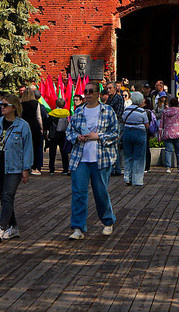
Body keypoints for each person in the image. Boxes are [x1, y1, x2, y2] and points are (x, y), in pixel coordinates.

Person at [65, 80, 119, 240]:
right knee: (78, 193)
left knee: (100, 192)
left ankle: (108, 221)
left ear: (98, 94)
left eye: (90, 91)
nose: (87, 94)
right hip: (80, 157)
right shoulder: (78, 111)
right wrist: (77, 137)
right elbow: (69, 132)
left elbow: (115, 133)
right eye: (85, 91)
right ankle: (78, 228)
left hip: (101, 158)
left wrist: (98, 136)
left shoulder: (107, 111)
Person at [0, 94, 34, 241]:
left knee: (8, 195)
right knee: (4, 198)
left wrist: (26, 168)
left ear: (14, 107)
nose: (2, 107)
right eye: (1, 104)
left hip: (14, 166)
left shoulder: (23, 126)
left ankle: (1, 227)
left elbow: (28, 148)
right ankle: (13, 227)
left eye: (5, 105)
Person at [121, 91, 153, 186]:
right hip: (139, 133)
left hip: (127, 132)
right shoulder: (142, 111)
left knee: (128, 156)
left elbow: (123, 120)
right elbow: (146, 125)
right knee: (139, 157)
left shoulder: (126, 109)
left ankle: (127, 177)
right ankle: (137, 180)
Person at [20, 87, 48, 175]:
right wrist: (41, 127)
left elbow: (20, 115)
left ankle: (24, 166)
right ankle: (34, 167)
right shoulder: (36, 103)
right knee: (35, 147)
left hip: (24, 126)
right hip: (34, 126)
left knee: (24, 147)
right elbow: (38, 117)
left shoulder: (21, 104)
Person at [160, 95, 179, 173]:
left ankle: (168, 168)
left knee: (168, 151)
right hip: (177, 133)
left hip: (167, 133)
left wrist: (160, 135)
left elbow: (161, 124)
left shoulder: (164, 111)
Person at [107, 85, 126, 177]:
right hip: (110, 124)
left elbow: (118, 113)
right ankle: (115, 168)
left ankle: (116, 168)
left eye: (110, 88)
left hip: (117, 123)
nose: (108, 90)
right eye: (107, 88)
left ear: (114, 88)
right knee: (114, 146)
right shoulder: (109, 99)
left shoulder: (118, 98)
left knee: (115, 145)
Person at [46, 107, 71, 174]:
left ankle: (51, 169)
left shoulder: (52, 113)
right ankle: (65, 169)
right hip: (63, 135)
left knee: (52, 152)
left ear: (56, 105)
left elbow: (47, 124)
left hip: (53, 135)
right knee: (64, 152)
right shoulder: (67, 113)